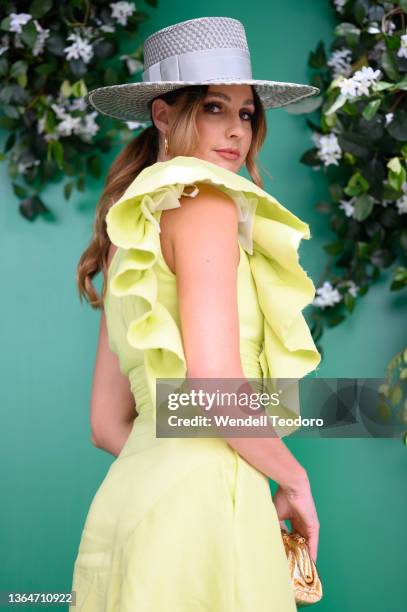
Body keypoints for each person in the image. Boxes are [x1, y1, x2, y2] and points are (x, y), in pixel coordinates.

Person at [72, 16, 321, 611]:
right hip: (204, 515)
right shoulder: (206, 205)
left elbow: (108, 425)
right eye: (214, 107)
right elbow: (213, 387)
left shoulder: (124, 231)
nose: (236, 130)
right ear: (163, 115)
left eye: (245, 112)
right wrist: (293, 479)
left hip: (131, 507)